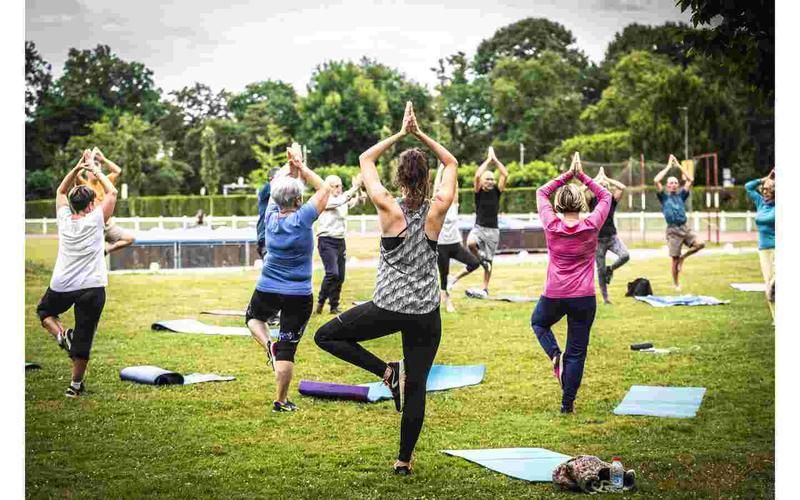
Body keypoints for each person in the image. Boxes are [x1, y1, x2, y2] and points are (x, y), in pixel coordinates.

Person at [315, 102, 458, 475]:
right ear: (427, 178)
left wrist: (401, 132)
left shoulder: (387, 207)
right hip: (425, 313)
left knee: (326, 336)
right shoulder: (437, 208)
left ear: (399, 178)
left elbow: (365, 158)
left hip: (388, 307)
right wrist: (420, 133)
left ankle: (386, 372)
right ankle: (404, 460)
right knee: (417, 389)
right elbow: (452, 163)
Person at [245, 149, 332, 413]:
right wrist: (302, 167)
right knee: (287, 350)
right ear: (298, 199)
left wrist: (288, 166)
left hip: (268, 287)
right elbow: (325, 188)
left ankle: (268, 345)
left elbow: (274, 187)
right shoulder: (303, 217)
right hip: (298, 293)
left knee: (253, 318)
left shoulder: (270, 215)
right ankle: (280, 400)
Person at [531, 152, 611, 414]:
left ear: (558, 205)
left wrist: (568, 174)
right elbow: (606, 196)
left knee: (539, 322)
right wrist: (582, 176)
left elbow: (542, 191)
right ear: (581, 204)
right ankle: (567, 405)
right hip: (583, 297)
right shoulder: (591, 224)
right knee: (576, 353)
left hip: (554, 294)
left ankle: (555, 354)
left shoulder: (551, 223)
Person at [36, 150, 118, 397]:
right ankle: (74, 387)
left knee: (45, 312)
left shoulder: (64, 218)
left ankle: (61, 334)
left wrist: (77, 167)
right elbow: (112, 192)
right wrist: (94, 169)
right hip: (92, 287)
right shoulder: (96, 219)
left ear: (72, 205)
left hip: (62, 283)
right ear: (92, 204)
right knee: (84, 335)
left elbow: (61, 191)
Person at [459, 147, 507, 298]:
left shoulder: (497, 191)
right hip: (479, 227)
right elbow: (477, 175)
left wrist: (495, 160)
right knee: (471, 243)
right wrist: (488, 160)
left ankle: (485, 289)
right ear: (482, 182)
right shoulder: (478, 192)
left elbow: (505, 174)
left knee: (489, 263)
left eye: (492, 179)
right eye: (488, 179)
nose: (491, 181)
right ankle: (481, 259)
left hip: (493, 231)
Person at [315, 174, 366, 315]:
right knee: (332, 273)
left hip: (340, 241)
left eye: (340, 186)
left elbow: (355, 202)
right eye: (335, 186)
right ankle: (320, 303)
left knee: (340, 276)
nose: (339, 189)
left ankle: (334, 306)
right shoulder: (325, 200)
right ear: (328, 187)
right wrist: (354, 187)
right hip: (326, 240)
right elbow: (340, 202)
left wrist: (360, 191)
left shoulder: (342, 198)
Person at [433, 163, 480, 313]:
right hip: (441, 246)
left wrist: (451, 170)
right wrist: (440, 170)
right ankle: (447, 302)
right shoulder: (435, 206)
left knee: (475, 263)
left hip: (455, 244)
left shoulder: (453, 205)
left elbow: (456, 188)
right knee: (443, 277)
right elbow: (435, 188)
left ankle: (455, 279)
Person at [653, 154, 705, 291]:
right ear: (667, 186)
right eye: (671, 183)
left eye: (675, 182)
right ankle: (676, 284)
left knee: (700, 244)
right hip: (673, 231)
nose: (673, 185)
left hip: (685, 228)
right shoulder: (663, 197)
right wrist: (669, 166)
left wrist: (678, 165)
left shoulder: (682, 195)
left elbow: (691, 179)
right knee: (674, 260)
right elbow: (656, 180)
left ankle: (684, 257)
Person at [75, 147, 134, 255]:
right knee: (92, 252)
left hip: (107, 224)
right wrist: (88, 161)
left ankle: (105, 251)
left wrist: (103, 159)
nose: (95, 173)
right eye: (92, 171)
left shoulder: (105, 181)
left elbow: (118, 171)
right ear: (88, 172)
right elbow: (76, 174)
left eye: (97, 170)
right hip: (93, 225)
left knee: (130, 239)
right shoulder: (83, 185)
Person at [587, 167, 630, 305]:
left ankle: (610, 269)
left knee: (625, 255)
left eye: (606, 186)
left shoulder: (612, 200)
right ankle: (606, 299)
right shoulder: (591, 201)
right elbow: (582, 190)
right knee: (600, 270)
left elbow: (622, 187)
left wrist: (606, 178)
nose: (604, 187)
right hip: (597, 241)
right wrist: (596, 180)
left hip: (612, 237)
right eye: (601, 186)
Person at [745, 169, 775, 320]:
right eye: (764, 190)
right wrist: (764, 179)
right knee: (769, 285)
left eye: (769, 190)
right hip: (764, 249)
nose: (765, 192)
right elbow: (748, 187)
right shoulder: (760, 203)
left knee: (777, 280)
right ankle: (776, 318)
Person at [256, 166, 282, 259]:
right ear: (271, 179)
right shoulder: (266, 189)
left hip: (275, 237)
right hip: (266, 237)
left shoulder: (281, 194)